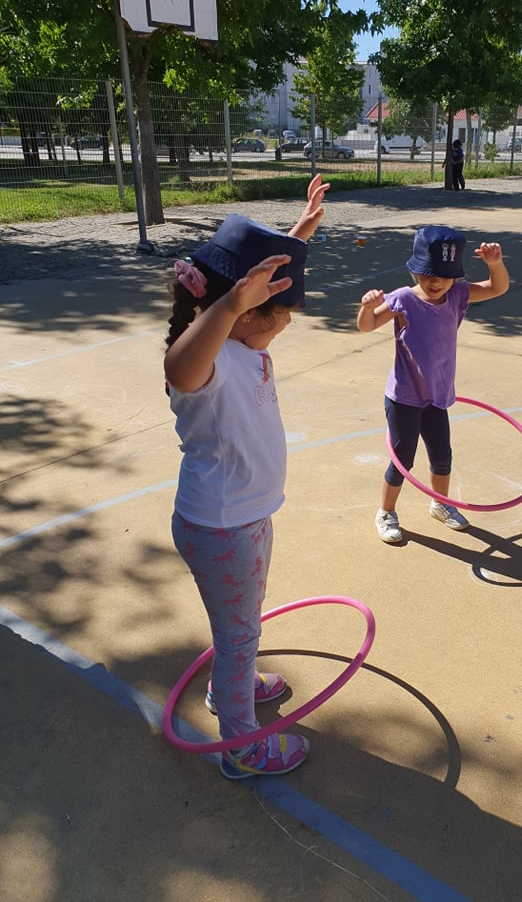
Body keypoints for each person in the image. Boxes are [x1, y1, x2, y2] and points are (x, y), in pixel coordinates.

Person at [164, 174, 329, 778]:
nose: (281, 327)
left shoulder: (239, 342)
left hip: (243, 520)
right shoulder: (207, 361)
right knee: (237, 637)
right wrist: (233, 304)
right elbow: (180, 368)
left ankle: (229, 686)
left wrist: (302, 230)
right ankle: (241, 746)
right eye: (275, 317)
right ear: (233, 308)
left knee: (243, 624)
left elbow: (252, 275)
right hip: (223, 527)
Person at [357, 225, 509, 544]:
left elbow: (497, 289)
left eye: (442, 275)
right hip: (404, 398)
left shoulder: (457, 295)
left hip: (437, 397)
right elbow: (367, 326)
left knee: (442, 456)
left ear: (453, 276)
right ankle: (385, 512)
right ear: (416, 272)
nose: (435, 281)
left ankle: (440, 504)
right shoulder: (402, 300)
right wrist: (367, 308)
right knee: (403, 459)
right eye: (428, 274)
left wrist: (495, 264)